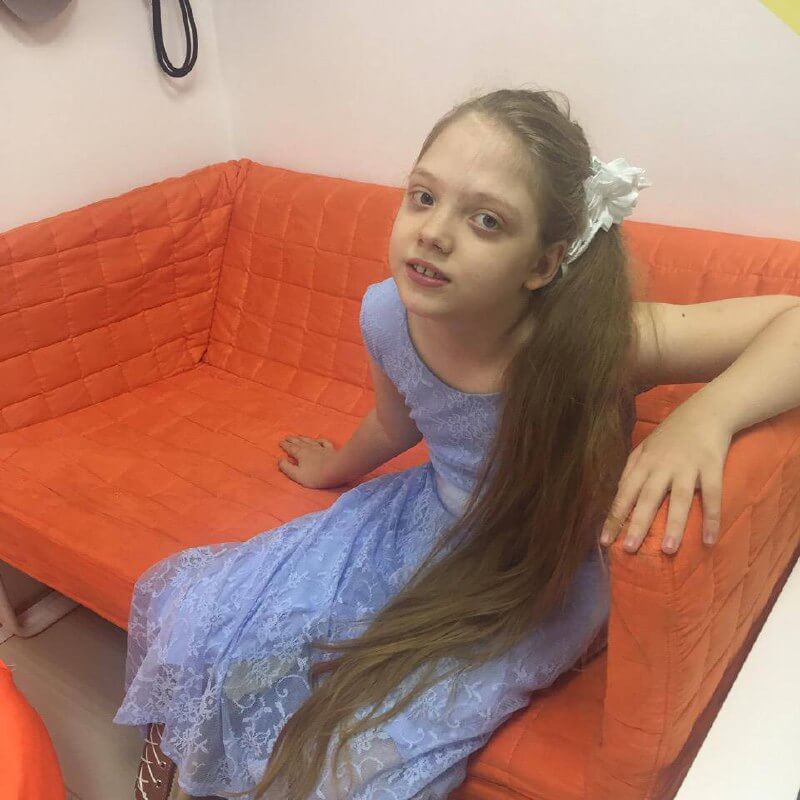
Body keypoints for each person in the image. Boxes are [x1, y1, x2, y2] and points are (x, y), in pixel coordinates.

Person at [113, 88, 800, 800]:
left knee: (357, 752)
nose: (434, 233)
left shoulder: (596, 342)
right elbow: (398, 422)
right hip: (422, 519)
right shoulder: (386, 313)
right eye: (423, 197)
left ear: (542, 265)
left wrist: (705, 417)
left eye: (485, 220)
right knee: (208, 620)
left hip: (533, 568)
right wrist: (335, 466)